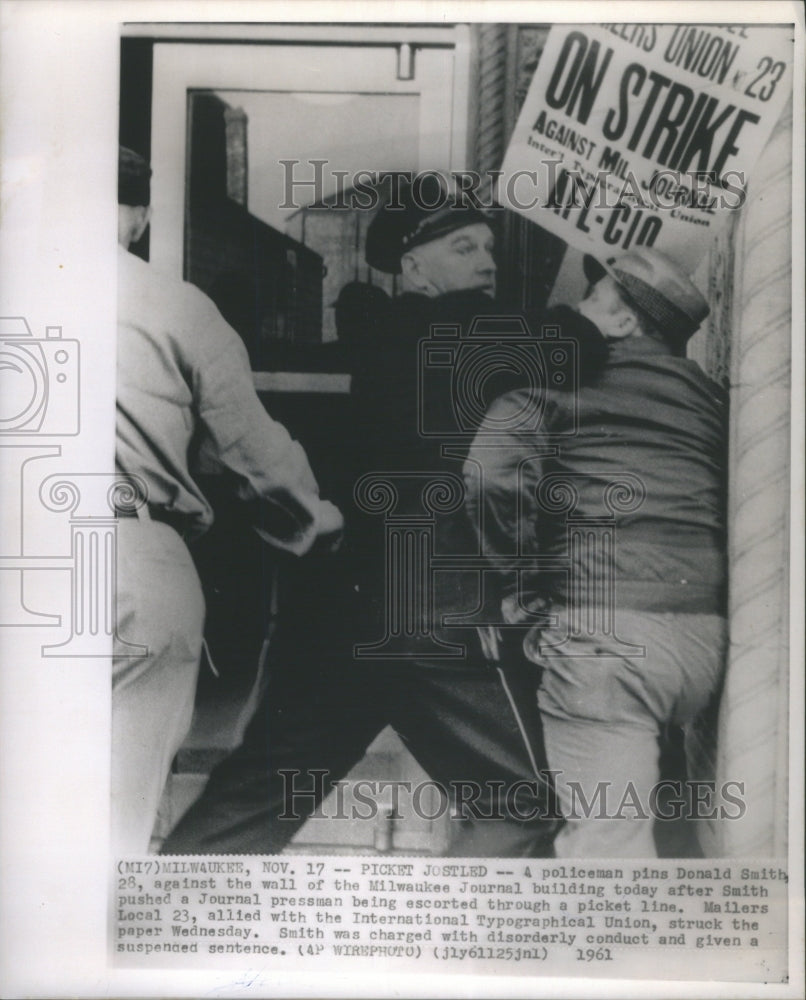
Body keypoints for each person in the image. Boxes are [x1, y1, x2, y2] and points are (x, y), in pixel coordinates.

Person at [161, 180, 608, 858]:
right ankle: (460, 954)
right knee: (524, 805)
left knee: (261, 791)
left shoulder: (375, 339)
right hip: (435, 611)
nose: (486, 261)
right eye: (463, 247)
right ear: (413, 268)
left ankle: (164, 919)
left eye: (488, 246)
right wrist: (601, 309)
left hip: (339, 610)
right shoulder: (459, 330)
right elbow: (576, 343)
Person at [113, 146, 343, 853]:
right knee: (116, 806)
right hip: (133, 552)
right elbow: (256, 454)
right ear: (142, 215)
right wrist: (319, 518)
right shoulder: (177, 305)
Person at [465, 248, 728, 858]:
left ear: (623, 322)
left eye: (593, 298)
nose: (576, 311)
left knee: (606, 849)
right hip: (702, 643)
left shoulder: (560, 380)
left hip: (605, 644)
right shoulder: (710, 401)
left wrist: (521, 580)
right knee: (685, 833)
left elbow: (488, 474)